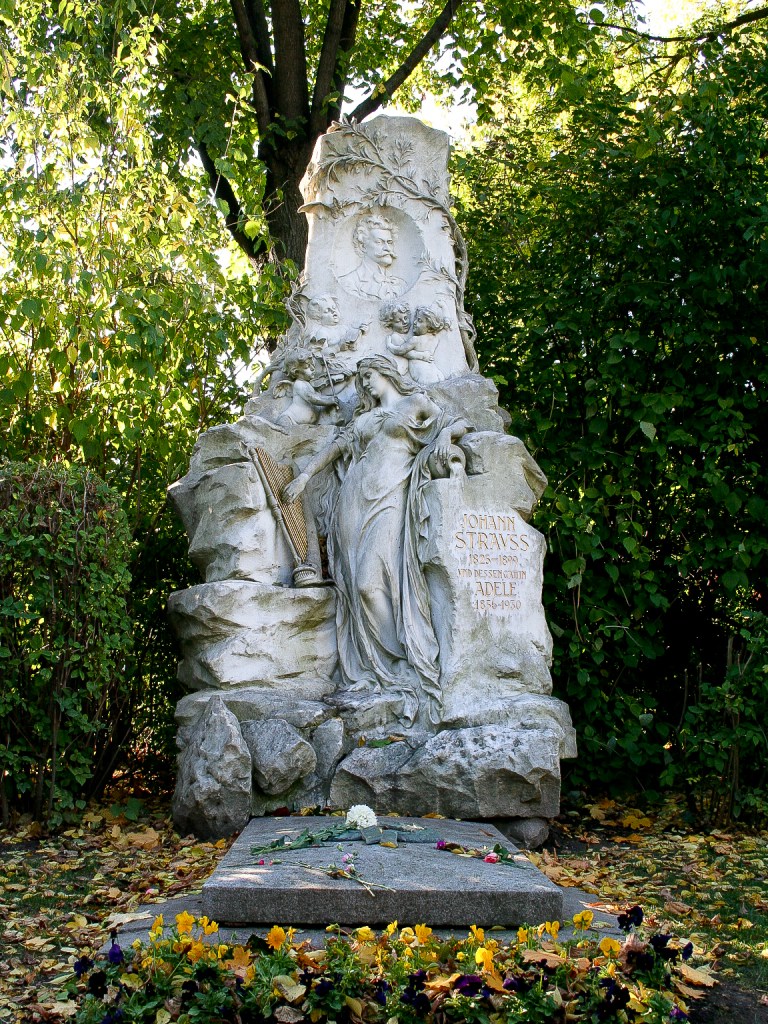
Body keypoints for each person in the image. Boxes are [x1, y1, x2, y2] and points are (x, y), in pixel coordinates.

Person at [283, 355, 472, 724]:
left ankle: (399, 664)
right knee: (354, 584)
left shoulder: (415, 403)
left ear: (385, 372)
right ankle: (372, 670)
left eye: (368, 375)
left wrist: (444, 435)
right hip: (352, 501)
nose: (365, 384)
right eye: (361, 379)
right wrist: (304, 477)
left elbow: (457, 421)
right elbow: (336, 448)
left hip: (390, 498)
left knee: (370, 584)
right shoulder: (364, 419)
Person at [337, 213, 407, 301]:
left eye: (389, 243)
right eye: (379, 242)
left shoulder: (400, 285)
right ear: (363, 246)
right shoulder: (349, 282)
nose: (387, 248)